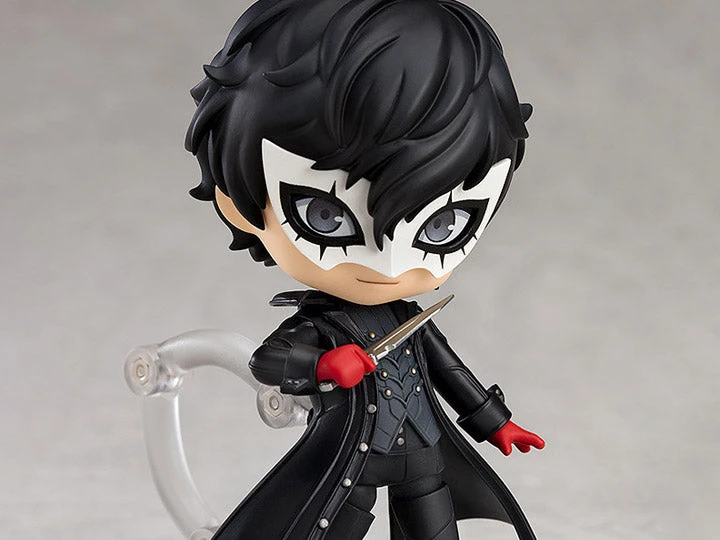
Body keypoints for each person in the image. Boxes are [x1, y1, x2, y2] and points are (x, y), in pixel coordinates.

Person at [185, 0, 544, 538]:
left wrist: (496, 424)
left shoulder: (409, 319)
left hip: (424, 454)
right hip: (350, 462)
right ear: (237, 204)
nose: (391, 266)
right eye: (325, 218)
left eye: (443, 226)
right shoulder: (325, 325)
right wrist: (324, 366)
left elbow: (450, 374)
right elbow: (269, 359)